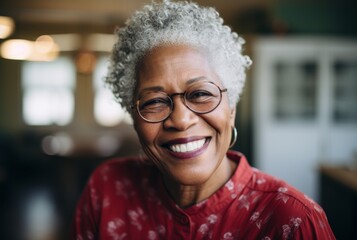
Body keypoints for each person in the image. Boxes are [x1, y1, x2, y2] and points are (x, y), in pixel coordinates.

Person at [72, 0, 335, 239]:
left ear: (230, 109)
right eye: (154, 101)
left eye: (200, 94)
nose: (181, 120)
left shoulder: (292, 220)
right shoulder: (107, 189)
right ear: (134, 117)